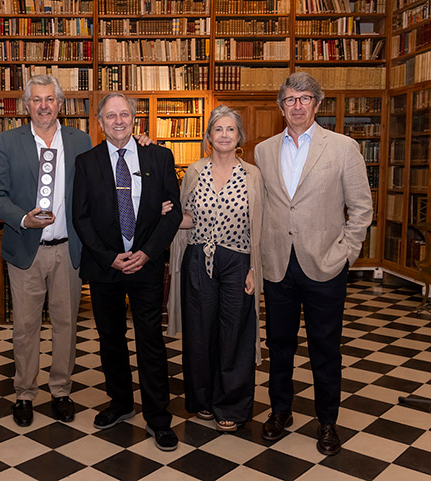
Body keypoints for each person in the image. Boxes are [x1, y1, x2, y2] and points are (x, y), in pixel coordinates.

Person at [254, 72, 373, 455]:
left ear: (317, 105)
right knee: (279, 345)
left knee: (325, 348)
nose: (298, 106)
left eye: (305, 98)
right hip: (277, 266)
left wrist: (344, 254)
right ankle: (280, 412)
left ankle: (327, 422)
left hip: (325, 265)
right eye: (290, 99)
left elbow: (361, 209)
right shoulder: (264, 150)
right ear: (281, 106)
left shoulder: (342, 148)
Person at [72, 93, 182, 451]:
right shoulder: (86, 162)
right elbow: (81, 217)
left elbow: (174, 213)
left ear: (135, 119)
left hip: (146, 267)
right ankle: (120, 403)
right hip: (106, 267)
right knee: (111, 339)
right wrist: (109, 257)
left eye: (124, 114)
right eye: (110, 116)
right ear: (100, 122)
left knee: (150, 340)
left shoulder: (159, 156)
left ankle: (158, 418)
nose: (118, 121)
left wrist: (148, 254)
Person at [0, 75, 93, 427]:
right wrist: (22, 219)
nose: (44, 105)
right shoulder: (7, 141)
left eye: (50, 99)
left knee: (66, 325)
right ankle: (25, 393)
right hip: (26, 250)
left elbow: (98, 183)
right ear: (26, 106)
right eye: (36, 100)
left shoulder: (81, 141)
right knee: (25, 327)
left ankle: (61, 389)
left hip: (68, 251)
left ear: (61, 104)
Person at [168, 105, 264, 432]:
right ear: (208, 136)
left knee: (235, 332)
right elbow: (187, 218)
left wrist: (255, 268)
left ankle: (232, 405)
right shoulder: (194, 171)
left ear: (240, 137)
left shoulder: (253, 175)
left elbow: (259, 225)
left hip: (238, 261)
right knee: (199, 332)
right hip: (198, 259)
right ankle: (202, 399)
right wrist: (161, 213)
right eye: (218, 129)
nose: (224, 135)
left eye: (230, 130)